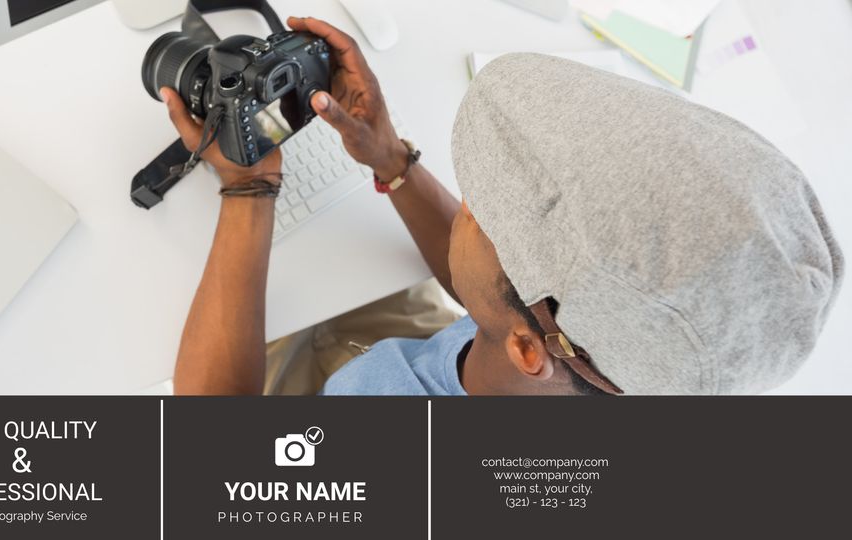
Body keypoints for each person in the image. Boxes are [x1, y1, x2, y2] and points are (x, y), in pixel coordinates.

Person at [163, 17, 843, 396]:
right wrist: (392, 160)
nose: (470, 205)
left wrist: (249, 190)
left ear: (527, 350)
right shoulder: (645, 368)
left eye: (484, 211)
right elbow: (507, 293)